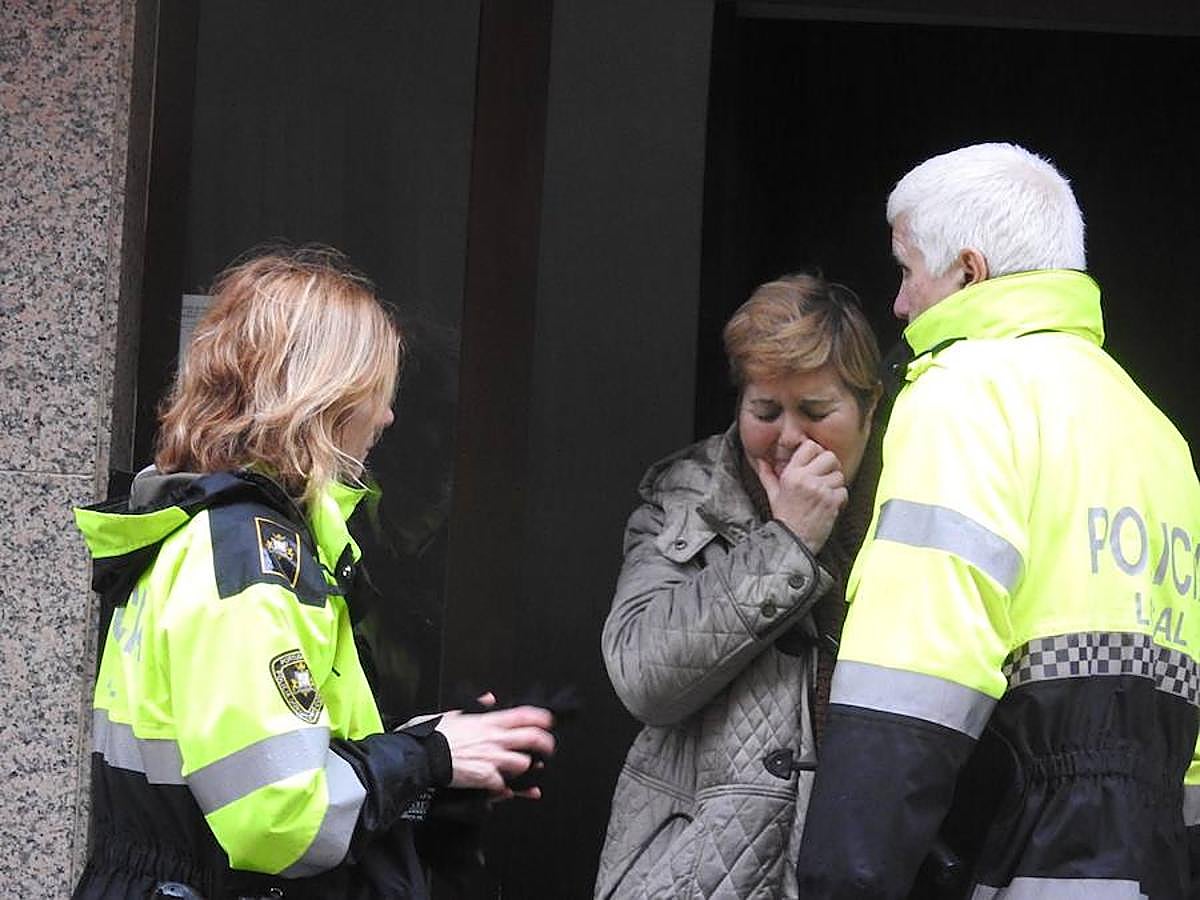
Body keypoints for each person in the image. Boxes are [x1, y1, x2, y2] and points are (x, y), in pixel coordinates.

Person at [72, 247, 556, 899]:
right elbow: (281, 817)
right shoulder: (249, 552)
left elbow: (281, 759)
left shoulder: (210, 528)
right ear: (325, 395)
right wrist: (427, 757)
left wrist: (432, 760)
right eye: (379, 390)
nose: (387, 417)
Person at [795, 143, 1200, 899]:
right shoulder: (1157, 433)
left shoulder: (965, 391)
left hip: (1015, 861)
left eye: (907, 271)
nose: (901, 304)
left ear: (969, 272)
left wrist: (842, 880)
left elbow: (912, 675)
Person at [595, 274, 883, 898]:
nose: (787, 438)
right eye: (764, 411)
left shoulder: (916, 499)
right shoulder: (686, 496)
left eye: (816, 412)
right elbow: (643, 676)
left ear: (871, 408)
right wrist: (785, 541)